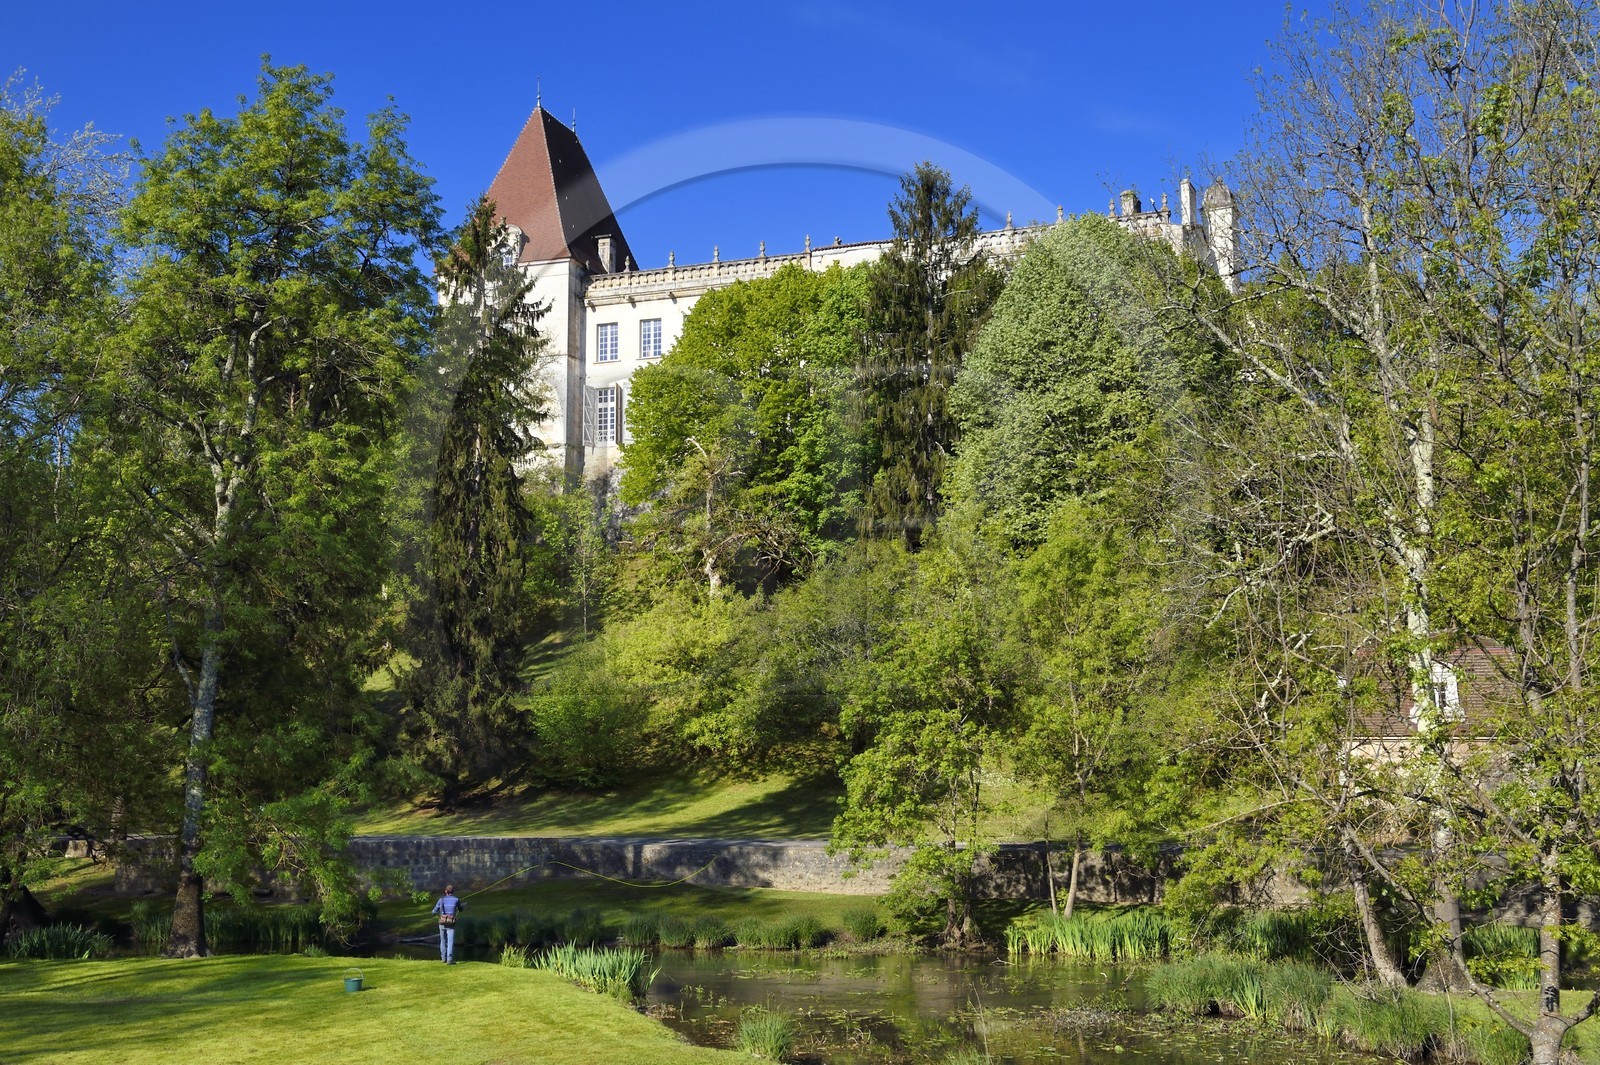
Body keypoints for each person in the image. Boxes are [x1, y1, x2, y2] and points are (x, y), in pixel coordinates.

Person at [432, 884, 463, 964]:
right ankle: (449, 959)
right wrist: (461, 906)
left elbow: (433, 912)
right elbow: (461, 909)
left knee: (443, 940)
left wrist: (438, 915)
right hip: (451, 923)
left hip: (442, 922)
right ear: (453, 891)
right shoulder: (456, 899)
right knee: (450, 941)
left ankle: (443, 958)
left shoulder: (440, 900)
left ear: (446, 891)